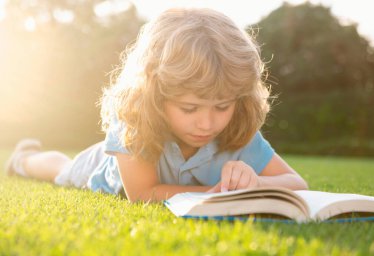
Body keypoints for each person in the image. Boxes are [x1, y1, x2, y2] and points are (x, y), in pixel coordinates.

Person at [5, 8, 308, 202]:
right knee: (63, 169)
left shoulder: (237, 132)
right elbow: (143, 194)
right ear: (155, 95)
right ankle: (23, 159)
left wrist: (254, 183)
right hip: (103, 170)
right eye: (190, 108)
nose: (207, 123)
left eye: (222, 106)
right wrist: (217, 195)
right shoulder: (135, 122)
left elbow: (297, 183)